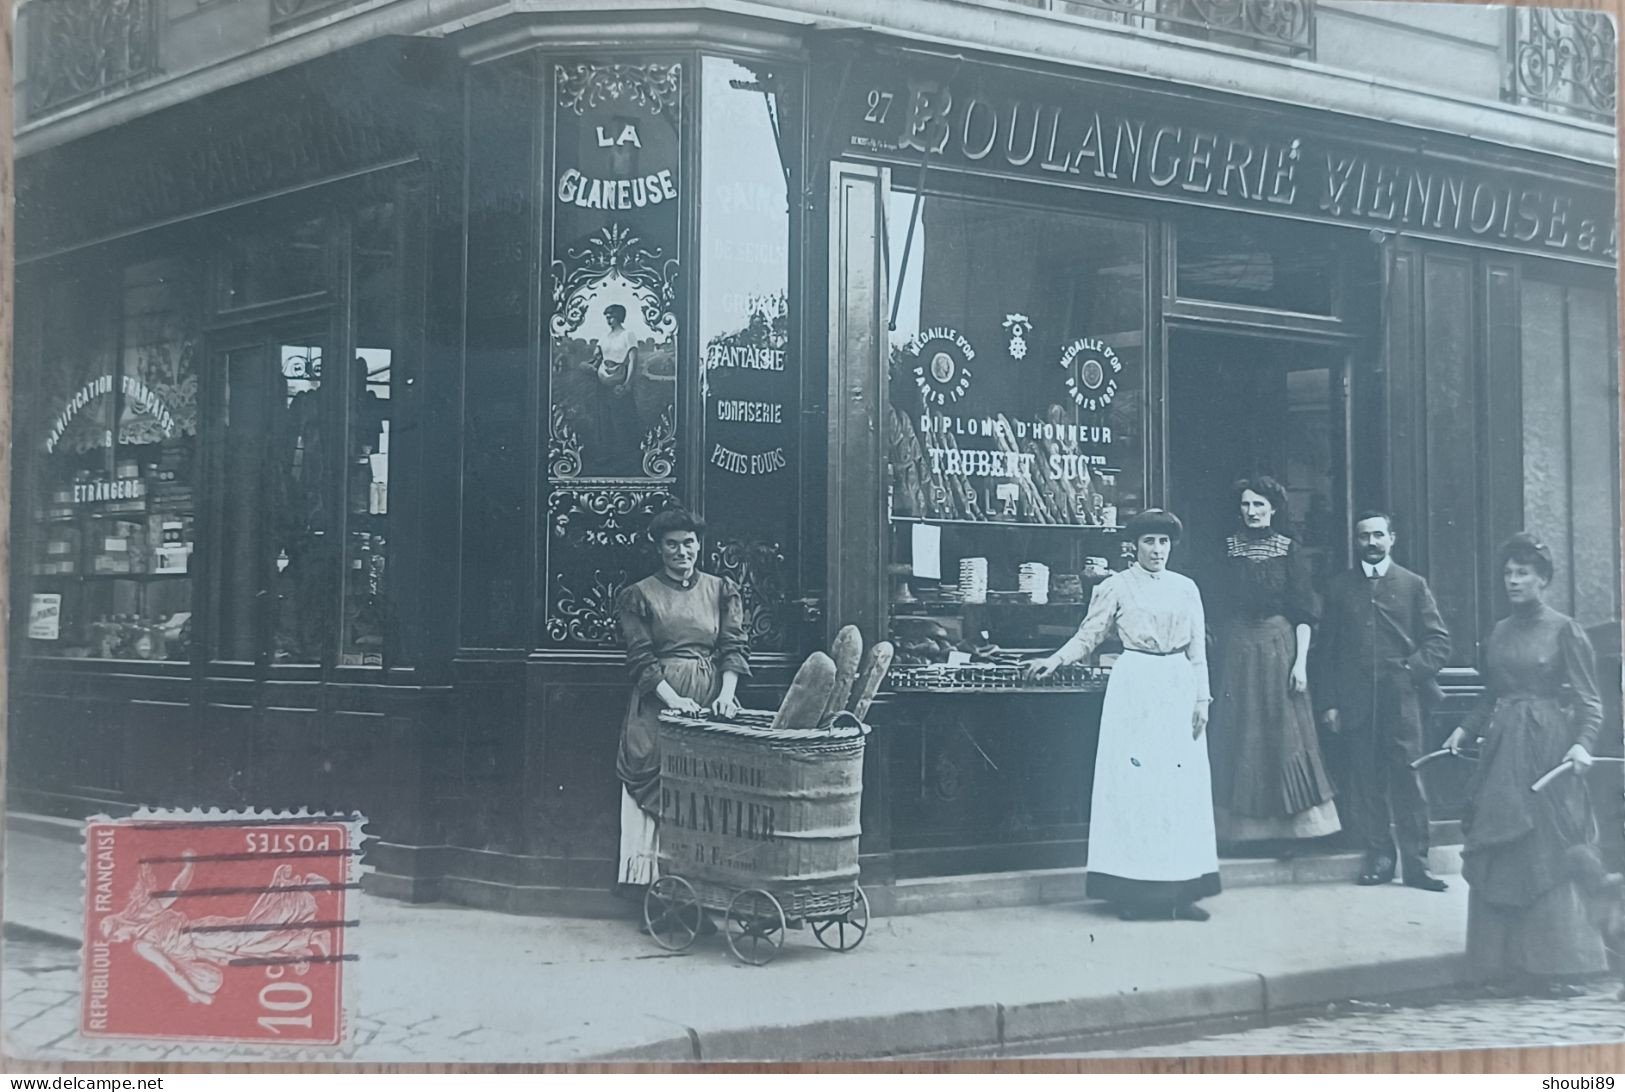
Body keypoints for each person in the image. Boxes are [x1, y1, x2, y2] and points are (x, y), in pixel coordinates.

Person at [1025, 509, 1219, 921]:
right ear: (1134, 546)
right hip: (1137, 684)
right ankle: (1134, 893)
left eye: (1164, 542)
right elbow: (1089, 634)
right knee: (1136, 787)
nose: (1157, 550)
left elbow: (1198, 650)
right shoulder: (1116, 586)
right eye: (1149, 541)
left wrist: (1202, 699)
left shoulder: (1187, 588)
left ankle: (1183, 891)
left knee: (1180, 789)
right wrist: (1055, 659)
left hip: (1178, 684)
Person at [1444, 533, 1608, 997]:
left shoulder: (1565, 630)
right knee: (1500, 848)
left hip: (1548, 752)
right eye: (1508, 573)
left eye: (1523, 573)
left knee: (1547, 849)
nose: (1512, 581)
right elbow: (1490, 694)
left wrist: (1581, 745)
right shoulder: (1498, 631)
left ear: (1544, 579)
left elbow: (1590, 702)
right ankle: (1501, 964)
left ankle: (1555, 964)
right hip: (1502, 754)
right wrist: (1464, 730)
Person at [614, 507, 750, 902]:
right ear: (659, 549)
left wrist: (726, 695)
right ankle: (654, 895)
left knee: (705, 795)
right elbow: (640, 659)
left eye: (688, 543)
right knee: (657, 788)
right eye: (672, 545)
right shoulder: (639, 595)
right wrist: (674, 702)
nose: (681, 551)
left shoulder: (721, 589)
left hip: (709, 704)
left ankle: (701, 894)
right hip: (659, 707)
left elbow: (732, 647)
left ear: (699, 545)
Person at [1315, 511, 1451, 890]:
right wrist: (1330, 703)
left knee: (1409, 779)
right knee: (1366, 781)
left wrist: (1409, 671)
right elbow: (1327, 653)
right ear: (1355, 542)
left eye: (1378, 535)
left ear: (1392, 538)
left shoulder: (1412, 585)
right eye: (1364, 537)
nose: (1371, 543)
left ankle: (1418, 864)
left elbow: (1439, 642)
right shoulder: (1339, 588)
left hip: (1402, 701)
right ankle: (1380, 857)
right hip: (1356, 701)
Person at [1207, 476, 1340, 853]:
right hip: (1237, 649)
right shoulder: (1228, 549)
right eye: (1246, 505)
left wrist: (1299, 664)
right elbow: (1216, 604)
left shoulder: (1288, 549)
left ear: (1273, 509)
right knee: (1238, 731)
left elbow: (1303, 610)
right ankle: (1239, 833)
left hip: (1280, 646)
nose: (1252, 512)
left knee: (1282, 735)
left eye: (1259, 506)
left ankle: (1290, 832)